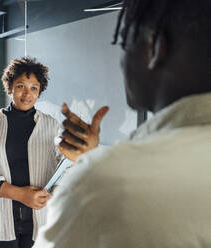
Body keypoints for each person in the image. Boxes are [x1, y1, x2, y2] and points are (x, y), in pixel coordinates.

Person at [33, 0, 211, 247]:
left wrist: (94, 167)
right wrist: (92, 156)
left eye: (123, 42)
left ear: (154, 49)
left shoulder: (101, 184)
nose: (120, 61)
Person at [0, 57, 106, 247]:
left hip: (39, 216)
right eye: (20, 86)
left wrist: (56, 191)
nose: (27, 93)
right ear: (10, 87)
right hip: (0, 217)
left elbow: (65, 166)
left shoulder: (51, 125)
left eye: (34, 88)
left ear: (39, 91)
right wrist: (20, 195)